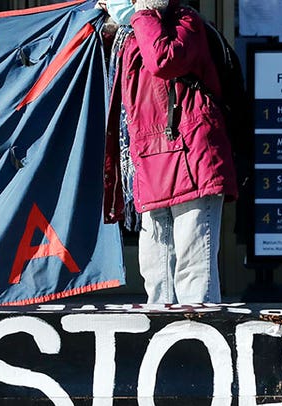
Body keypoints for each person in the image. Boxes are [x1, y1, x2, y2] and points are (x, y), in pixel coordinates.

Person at [101, 0, 238, 304]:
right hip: (151, 156)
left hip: (191, 154)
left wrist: (141, 14)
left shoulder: (185, 21)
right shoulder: (127, 35)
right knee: (155, 265)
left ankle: (198, 340)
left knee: (193, 264)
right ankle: (163, 339)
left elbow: (163, 60)